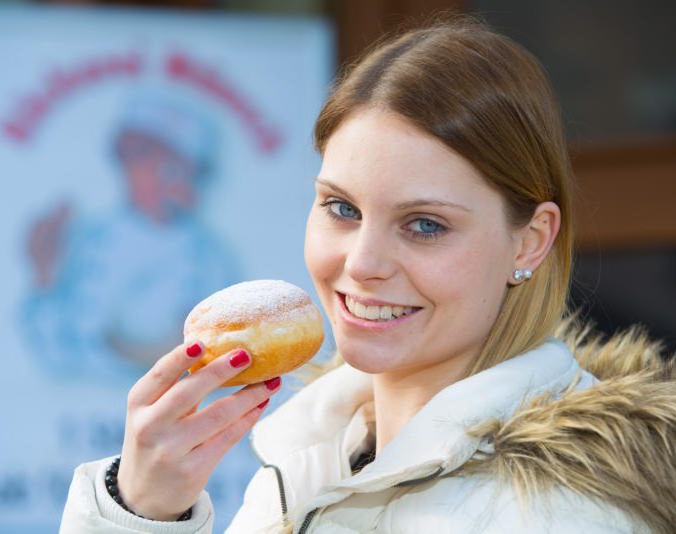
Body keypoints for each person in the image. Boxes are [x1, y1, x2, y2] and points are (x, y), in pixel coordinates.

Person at [60, 15, 676, 533]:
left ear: (531, 240)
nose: (361, 264)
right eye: (342, 208)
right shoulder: (306, 453)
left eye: (425, 224)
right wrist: (141, 508)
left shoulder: (558, 512)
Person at [23, 91, 239, 377]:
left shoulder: (208, 256)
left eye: (151, 159)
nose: (139, 171)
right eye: (131, 158)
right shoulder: (91, 237)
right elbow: (53, 344)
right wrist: (44, 273)